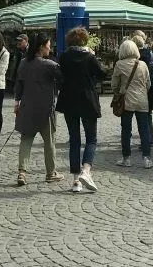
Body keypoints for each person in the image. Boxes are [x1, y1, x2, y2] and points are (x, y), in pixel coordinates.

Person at [56, 27, 104, 192]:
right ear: (84, 41)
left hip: (69, 101)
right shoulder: (89, 57)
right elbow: (103, 73)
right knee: (91, 139)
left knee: (74, 139)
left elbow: (59, 76)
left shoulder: (64, 57)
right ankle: (86, 170)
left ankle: (76, 180)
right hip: (88, 101)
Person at [14, 33, 63, 186]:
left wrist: (17, 102)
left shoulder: (23, 63)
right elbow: (63, 81)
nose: (51, 47)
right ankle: (51, 173)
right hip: (45, 109)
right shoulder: (50, 65)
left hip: (27, 107)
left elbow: (19, 84)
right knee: (49, 142)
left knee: (26, 140)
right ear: (42, 46)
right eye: (49, 44)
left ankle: (22, 172)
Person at [111, 39, 152, 169]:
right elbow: (148, 84)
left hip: (126, 101)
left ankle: (126, 158)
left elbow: (114, 85)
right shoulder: (143, 65)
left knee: (126, 130)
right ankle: (146, 158)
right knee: (144, 130)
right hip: (142, 101)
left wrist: (119, 91)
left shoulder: (119, 64)